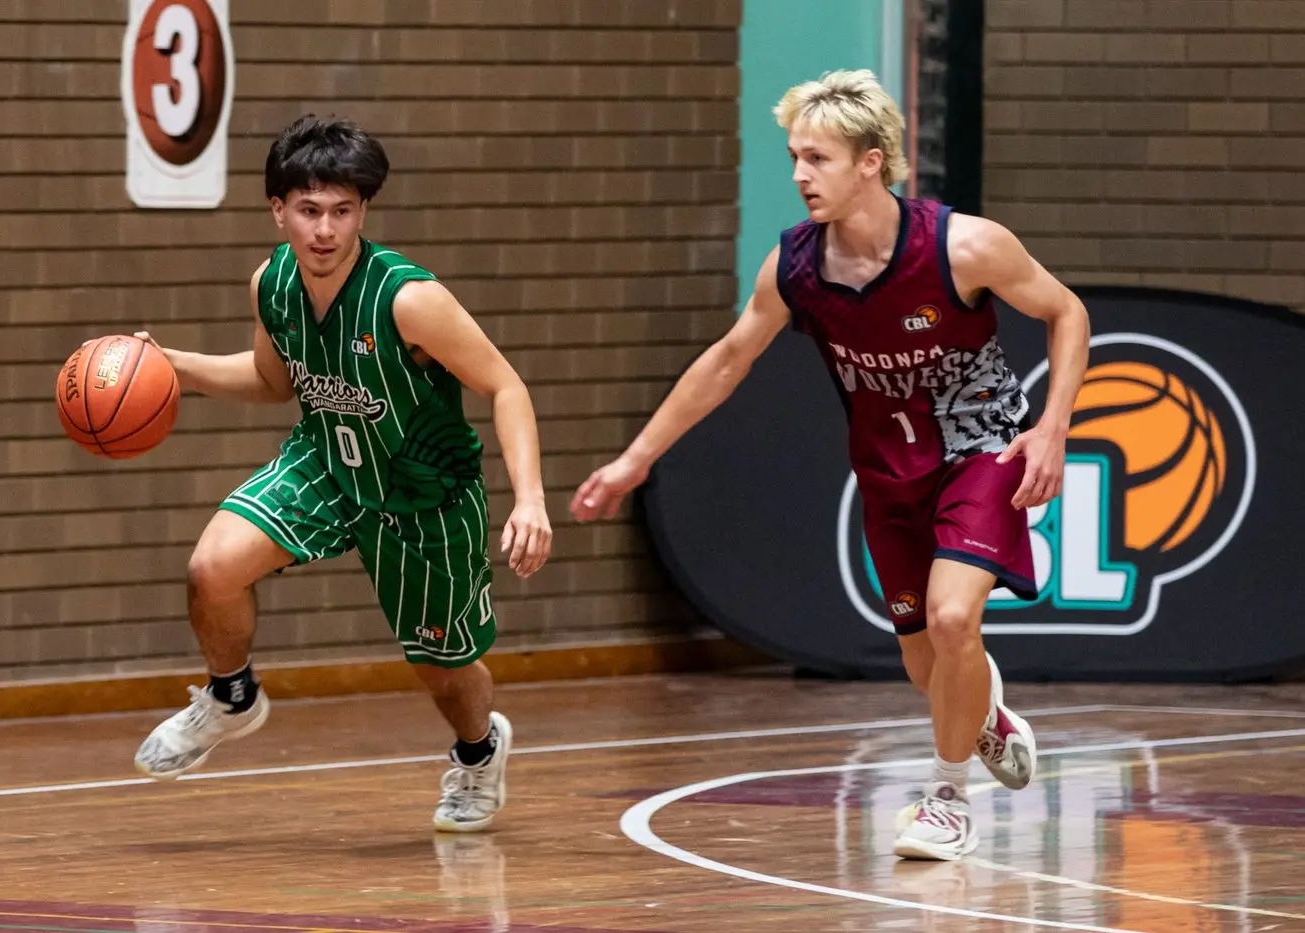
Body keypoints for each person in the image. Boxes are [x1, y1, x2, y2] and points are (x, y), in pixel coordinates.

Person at [570, 70, 1090, 861]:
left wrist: (1051, 425)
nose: (798, 176)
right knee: (928, 662)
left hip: (982, 451)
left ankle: (946, 798)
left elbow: (1066, 312)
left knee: (955, 620)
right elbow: (727, 359)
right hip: (887, 475)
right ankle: (985, 717)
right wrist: (636, 459)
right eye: (793, 157)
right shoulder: (795, 270)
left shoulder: (963, 244)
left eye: (816, 158)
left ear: (871, 162)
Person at [130, 114, 553, 834]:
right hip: (326, 460)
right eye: (308, 210)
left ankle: (479, 752)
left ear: (363, 210)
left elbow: (506, 386)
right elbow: (270, 379)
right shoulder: (273, 281)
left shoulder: (408, 298)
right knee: (212, 567)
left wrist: (531, 499)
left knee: (443, 669)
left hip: (423, 492)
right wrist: (172, 363)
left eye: (342, 211)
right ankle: (230, 695)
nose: (325, 229)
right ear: (278, 209)